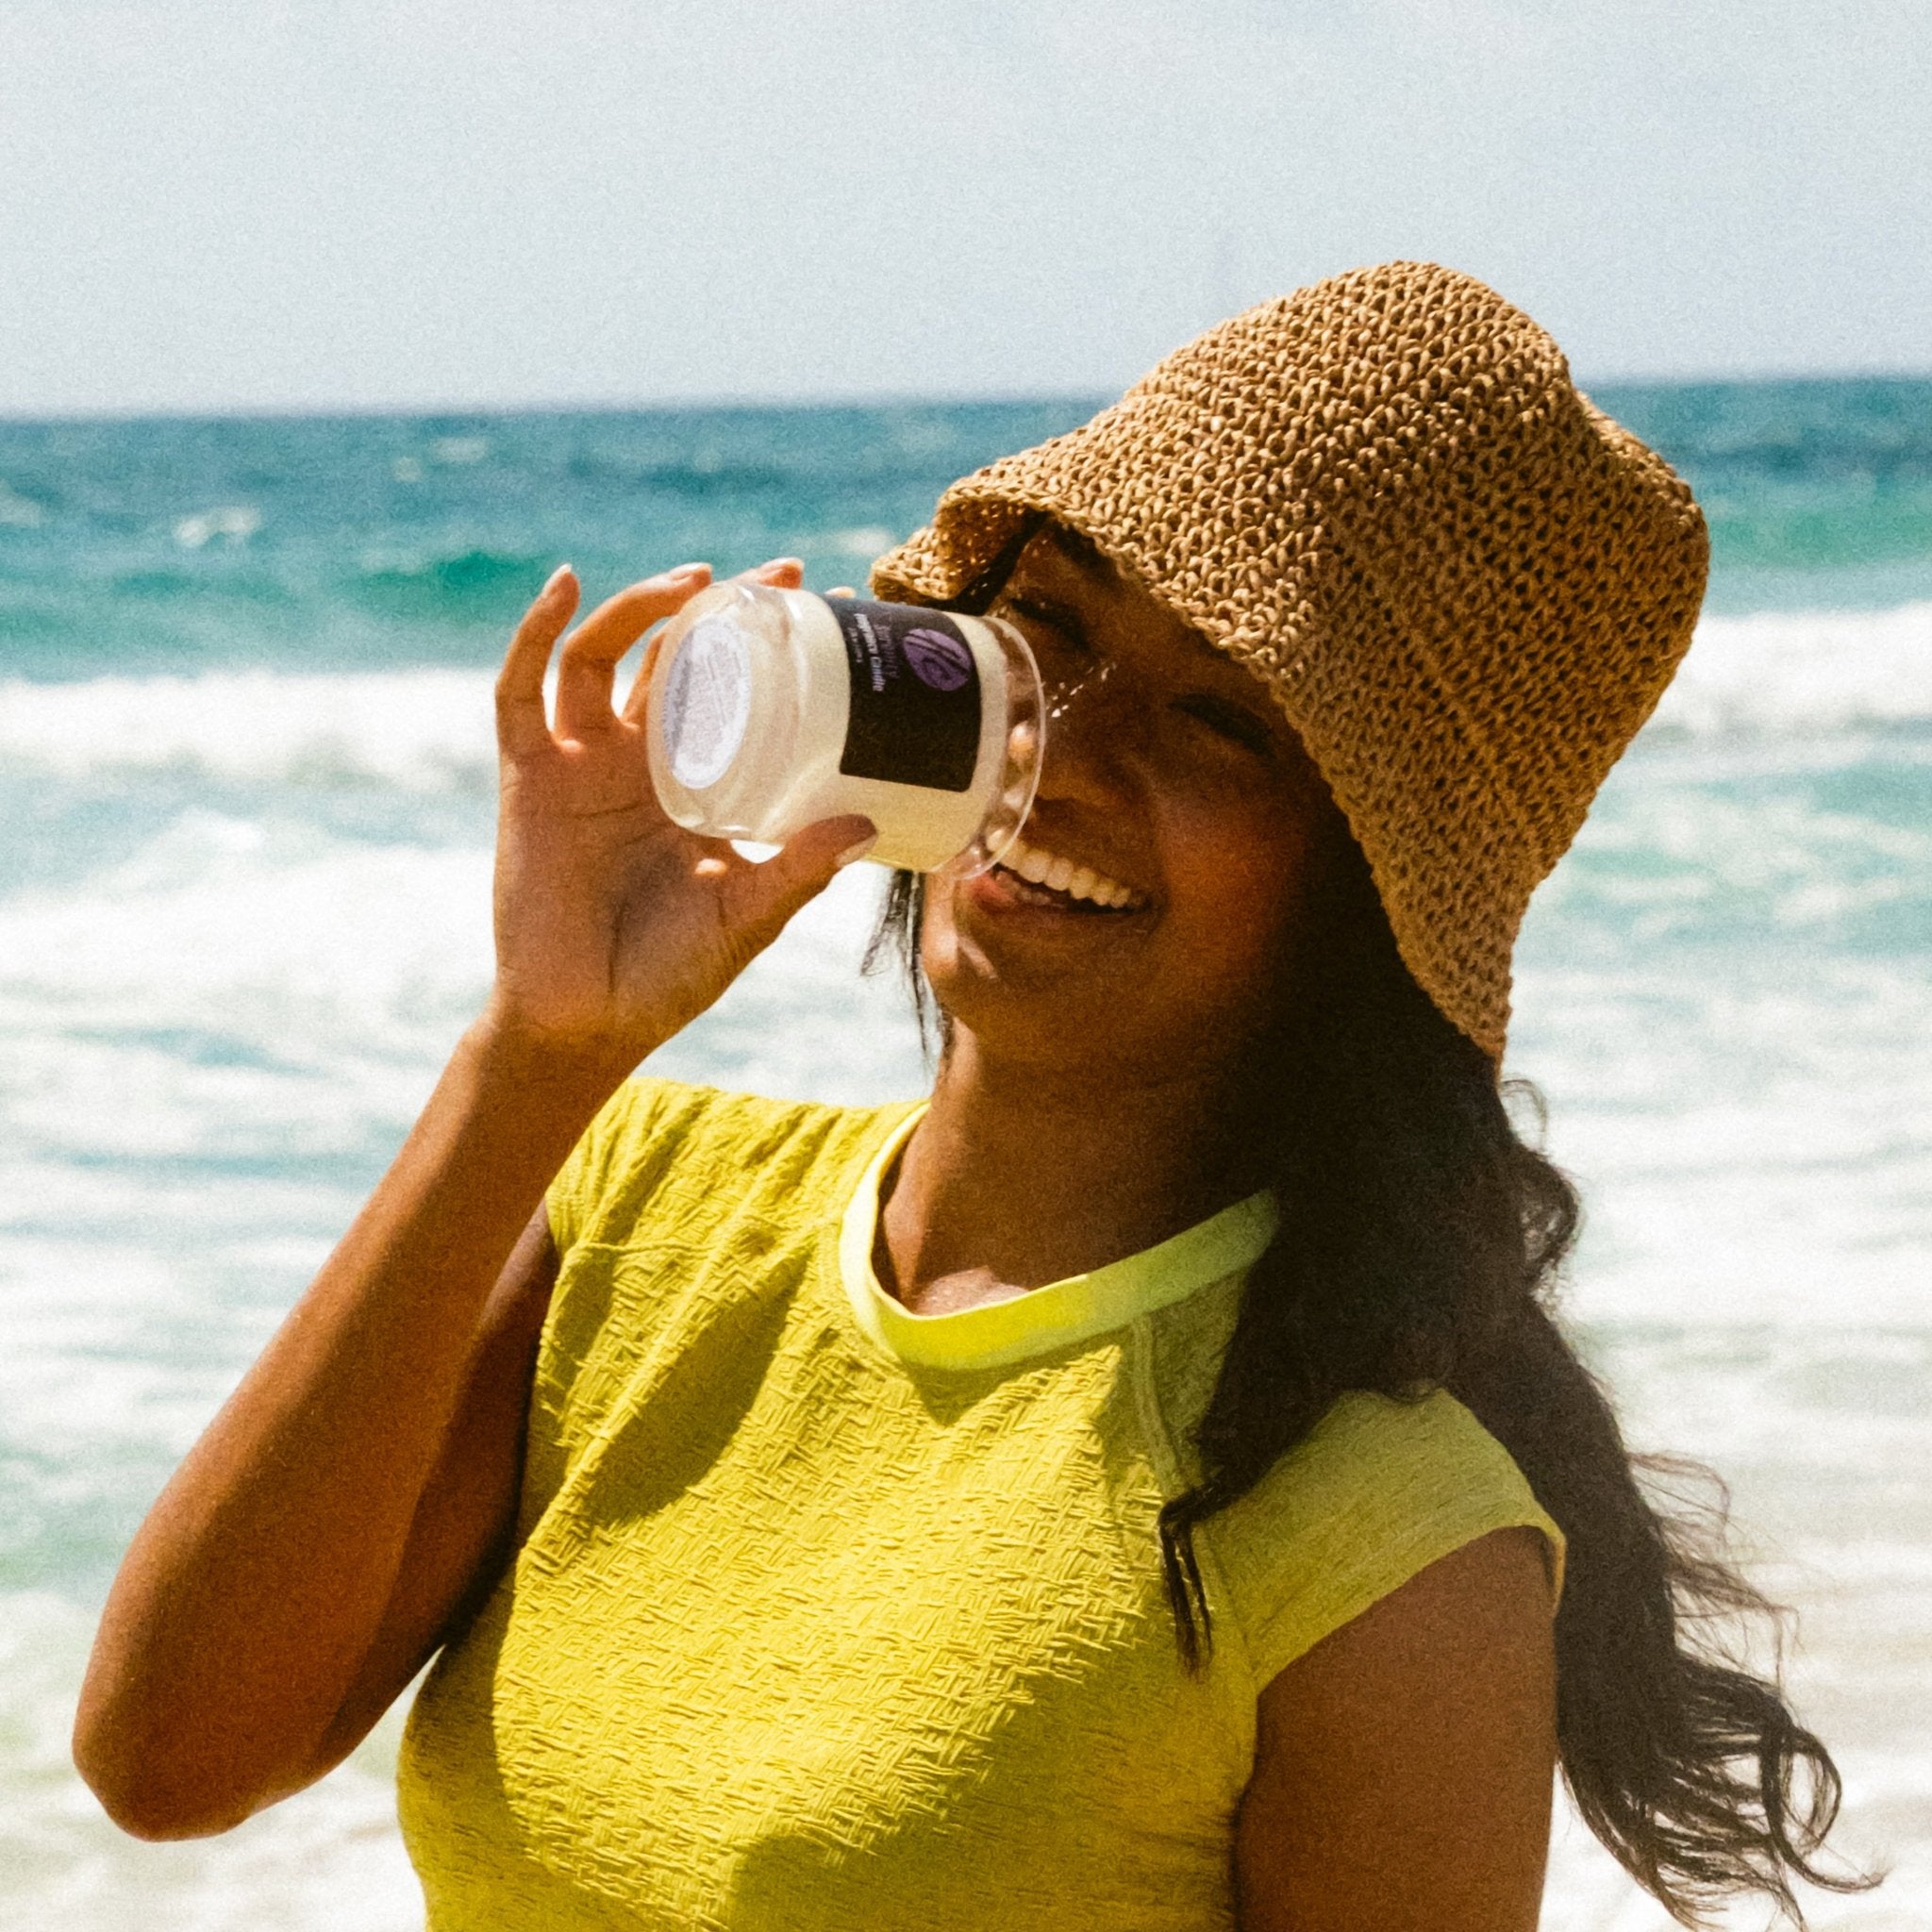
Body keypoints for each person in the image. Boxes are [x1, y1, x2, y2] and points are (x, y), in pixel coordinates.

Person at [74, 262, 1865, 1930]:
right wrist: (534, 1057)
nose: (1057, 755)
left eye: (1219, 724)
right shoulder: (642, 1205)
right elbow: (168, 1764)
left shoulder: (1384, 1545)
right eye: (1043, 641)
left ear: (1368, 892)